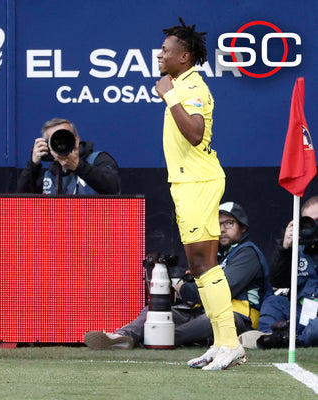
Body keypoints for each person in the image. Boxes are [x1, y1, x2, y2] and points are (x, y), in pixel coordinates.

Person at [153, 18, 244, 370]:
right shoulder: (183, 83)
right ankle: (222, 344)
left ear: (185, 56)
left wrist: (169, 95)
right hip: (189, 182)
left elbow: (193, 133)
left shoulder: (190, 87)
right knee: (198, 266)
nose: (160, 55)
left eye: (166, 51)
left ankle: (230, 344)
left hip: (198, 183)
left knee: (205, 265)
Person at [84, 202, 272, 350]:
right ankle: (122, 336)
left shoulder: (247, 253)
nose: (222, 229)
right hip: (201, 311)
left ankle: (159, 339)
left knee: (202, 323)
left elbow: (220, 291)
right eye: (218, 224)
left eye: (229, 223)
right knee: (158, 312)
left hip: (237, 317)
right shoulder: (218, 254)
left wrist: (184, 289)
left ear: (243, 227)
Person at [253, 196, 318, 348]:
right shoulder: (296, 249)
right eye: (310, 222)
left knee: (314, 331)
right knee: (273, 301)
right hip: (300, 311)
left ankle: (289, 339)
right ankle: (272, 337)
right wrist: (285, 249)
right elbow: (277, 281)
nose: (314, 227)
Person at [16, 118, 120, 194]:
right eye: (56, 140)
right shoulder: (50, 174)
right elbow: (21, 202)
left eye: (65, 138)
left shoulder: (97, 159)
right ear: (47, 144)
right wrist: (33, 164)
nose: (61, 144)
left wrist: (78, 166)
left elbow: (113, 188)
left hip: (94, 222)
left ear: (77, 140)